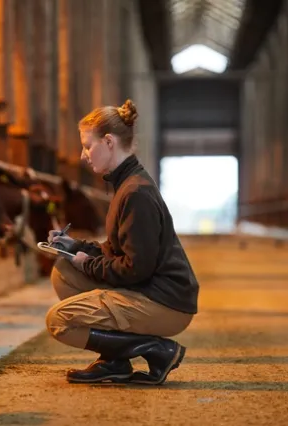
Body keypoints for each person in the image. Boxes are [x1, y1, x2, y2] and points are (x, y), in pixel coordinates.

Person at [45, 99, 199, 384]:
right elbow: (116, 252)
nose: (83, 156)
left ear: (108, 141)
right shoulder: (127, 184)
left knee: (59, 322)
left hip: (166, 303)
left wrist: (88, 264)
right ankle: (114, 361)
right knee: (64, 273)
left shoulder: (135, 193)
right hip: (154, 291)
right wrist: (74, 246)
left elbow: (134, 269)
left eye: (87, 146)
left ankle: (157, 350)